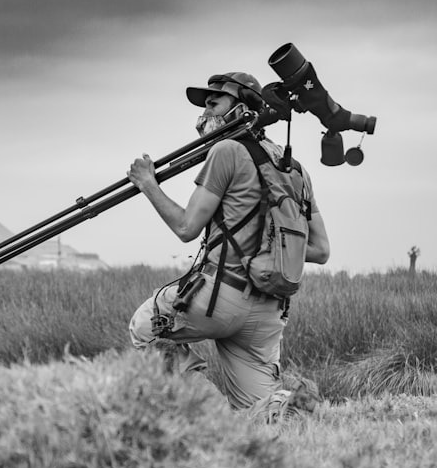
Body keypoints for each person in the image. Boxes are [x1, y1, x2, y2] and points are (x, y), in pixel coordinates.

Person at [126, 71, 330, 414]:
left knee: (144, 325)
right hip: (268, 310)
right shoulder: (295, 168)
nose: (204, 114)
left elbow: (186, 227)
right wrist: (265, 250)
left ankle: (209, 411)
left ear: (241, 107)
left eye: (213, 103)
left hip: (220, 298)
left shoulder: (226, 150)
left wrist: (148, 183)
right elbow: (321, 250)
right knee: (260, 410)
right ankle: (290, 409)